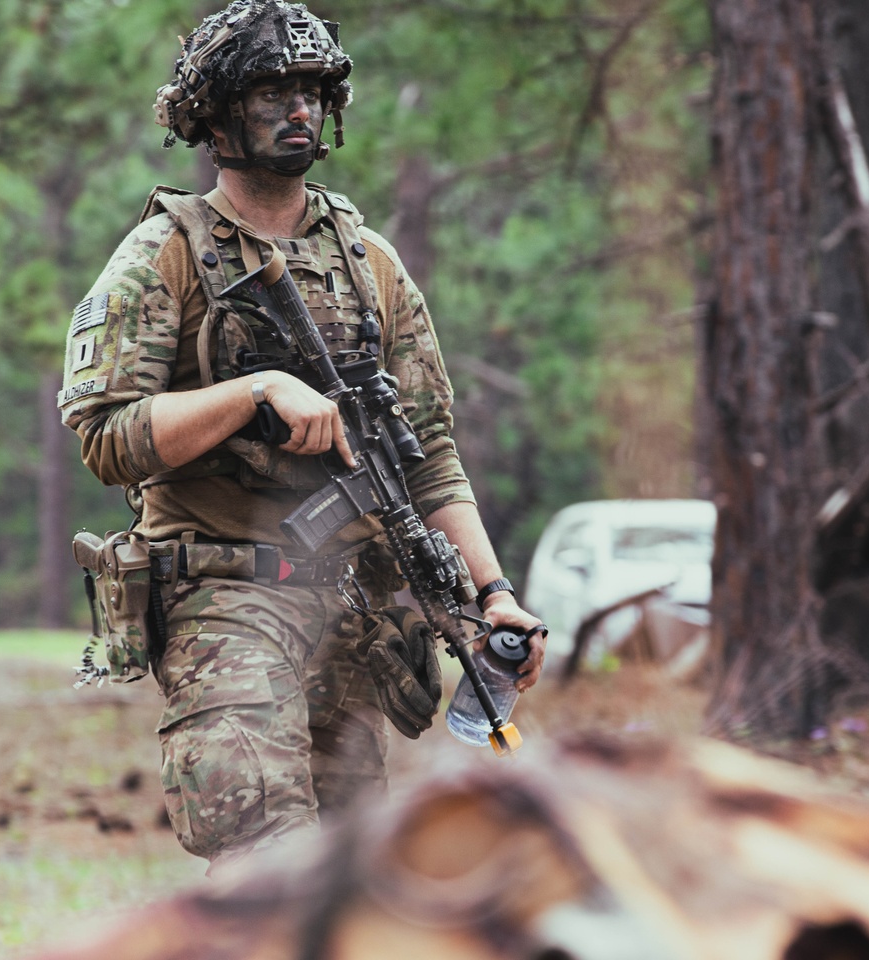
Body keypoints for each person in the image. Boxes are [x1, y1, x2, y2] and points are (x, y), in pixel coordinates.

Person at [59, 0, 546, 876]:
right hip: (222, 598)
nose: (299, 111)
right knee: (263, 853)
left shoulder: (369, 262)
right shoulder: (160, 255)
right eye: (271, 92)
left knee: (357, 876)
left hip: (352, 608)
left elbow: (428, 452)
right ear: (211, 115)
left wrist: (493, 595)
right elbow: (104, 434)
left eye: (313, 92)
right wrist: (252, 391)